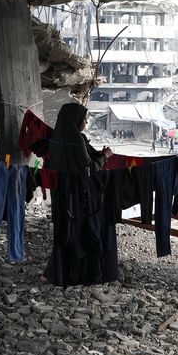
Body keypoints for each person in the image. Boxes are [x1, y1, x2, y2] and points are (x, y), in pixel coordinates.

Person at [44, 103, 118, 287]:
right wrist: (105, 156)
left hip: (61, 195)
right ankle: (87, 276)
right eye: (84, 118)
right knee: (86, 234)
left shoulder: (56, 139)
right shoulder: (76, 140)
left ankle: (61, 274)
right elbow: (89, 168)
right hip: (79, 198)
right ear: (75, 120)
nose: (85, 122)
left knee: (66, 234)